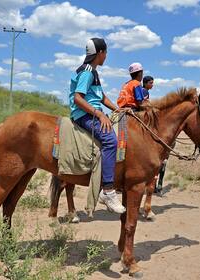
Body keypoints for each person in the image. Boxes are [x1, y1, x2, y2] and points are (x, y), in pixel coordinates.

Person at [69, 38, 125, 214]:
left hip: (92, 111)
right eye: (106, 53)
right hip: (84, 114)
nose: (106, 56)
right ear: (100, 53)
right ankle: (108, 190)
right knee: (110, 140)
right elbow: (78, 98)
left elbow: (101, 97)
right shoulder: (87, 72)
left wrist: (120, 109)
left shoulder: (93, 71)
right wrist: (99, 114)